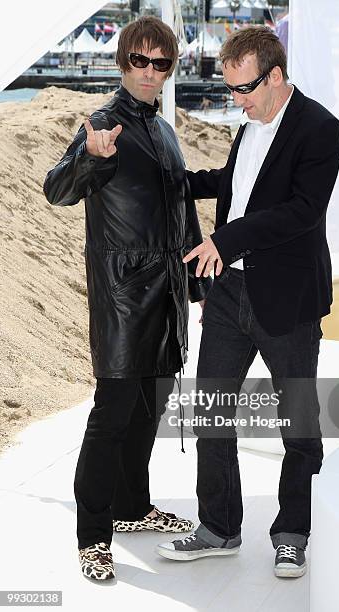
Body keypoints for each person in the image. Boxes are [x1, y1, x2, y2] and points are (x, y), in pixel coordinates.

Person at [157, 26, 339, 578]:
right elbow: (241, 187)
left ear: (276, 76)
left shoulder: (319, 129)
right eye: (232, 89)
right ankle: (218, 527)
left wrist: (225, 240)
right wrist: (180, 183)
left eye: (244, 90)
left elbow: (301, 211)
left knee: (298, 425)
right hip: (229, 294)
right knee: (211, 412)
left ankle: (291, 533)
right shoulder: (251, 125)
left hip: (288, 299)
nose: (235, 101)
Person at [43, 16, 211, 581]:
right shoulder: (104, 123)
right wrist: (90, 155)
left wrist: (197, 279)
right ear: (122, 63)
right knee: (112, 414)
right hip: (121, 297)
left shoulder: (163, 131)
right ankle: (93, 533)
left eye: (160, 63)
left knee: (149, 410)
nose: (149, 72)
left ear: (170, 68)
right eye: (139, 60)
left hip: (166, 296)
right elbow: (57, 189)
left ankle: (132, 509)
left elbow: (182, 209)